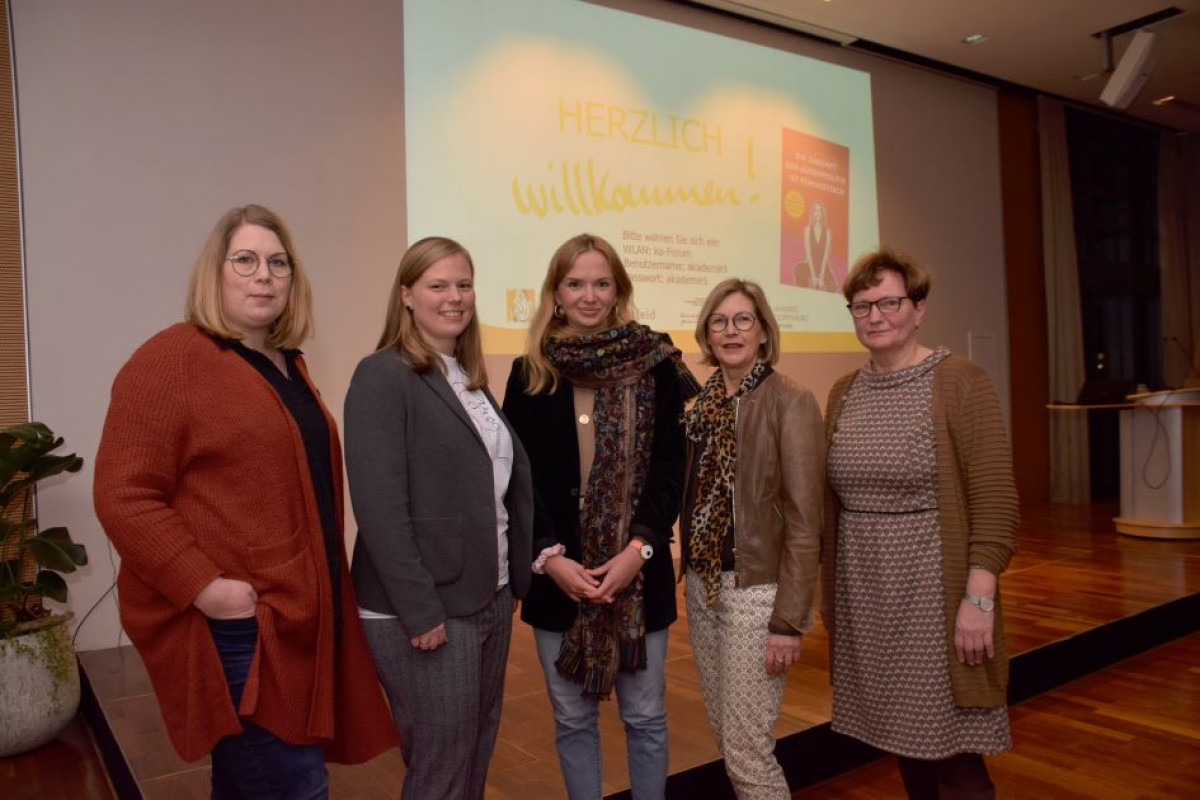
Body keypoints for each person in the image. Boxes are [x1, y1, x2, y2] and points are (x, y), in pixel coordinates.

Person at [93, 204, 397, 799]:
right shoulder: (172, 358)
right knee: (293, 787)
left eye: (278, 262)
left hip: (302, 623)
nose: (264, 275)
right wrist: (208, 588)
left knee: (248, 785)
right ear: (217, 271)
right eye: (246, 260)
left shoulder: (288, 365)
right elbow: (123, 494)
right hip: (245, 630)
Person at [502, 233, 697, 799]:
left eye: (601, 283)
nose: (589, 295)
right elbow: (520, 477)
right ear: (556, 294)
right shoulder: (528, 372)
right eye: (575, 283)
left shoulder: (657, 364)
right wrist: (549, 557)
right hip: (557, 580)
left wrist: (638, 551)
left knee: (645, 719)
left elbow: (669, 467)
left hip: (638, 572)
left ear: (618, 292)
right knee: (571, 721)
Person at [821, 248, 1019, 800]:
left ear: (919, 308)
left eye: (889, 302)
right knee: (901, 738)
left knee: (952, 750)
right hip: (866, 594)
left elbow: (997, 500)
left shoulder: (959, 380)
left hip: (935, 591)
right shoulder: (844, 391)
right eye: (862, 306)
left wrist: (978, 600)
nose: (875, 316)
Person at [343, 236, 533, 799]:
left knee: (473, 751)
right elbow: (379, 507)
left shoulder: (465, 376)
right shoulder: (382, 374)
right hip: (427, 608)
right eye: (438, 285)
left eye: (464, 284)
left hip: (489, 593)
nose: (455, 297)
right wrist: (419, 610)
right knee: (442, 766)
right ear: (406, 295)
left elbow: (492, 486)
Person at [680, 279, 824, 799]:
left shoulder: (792, 401)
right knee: (729, 738)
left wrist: (789, 620)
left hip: (757, 595)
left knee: (747, 750)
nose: (730, 330)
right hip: (704, 588)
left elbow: (808, 521)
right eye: (719, 321)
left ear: (763, 331)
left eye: (743, 319)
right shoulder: (703, 406)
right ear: (707, 333)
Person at [797, 200, 834, 291]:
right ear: (812, 213)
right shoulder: (807, 229)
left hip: (822, 267)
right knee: (798, 270)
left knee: (832, 285)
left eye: (819, 211)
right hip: (809, 264)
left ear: (822, 214)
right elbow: (808, 254)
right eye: (815, 210)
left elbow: (825, 256)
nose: (817, 213)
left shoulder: (828, 232)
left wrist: (821, 277)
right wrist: (813, 276)